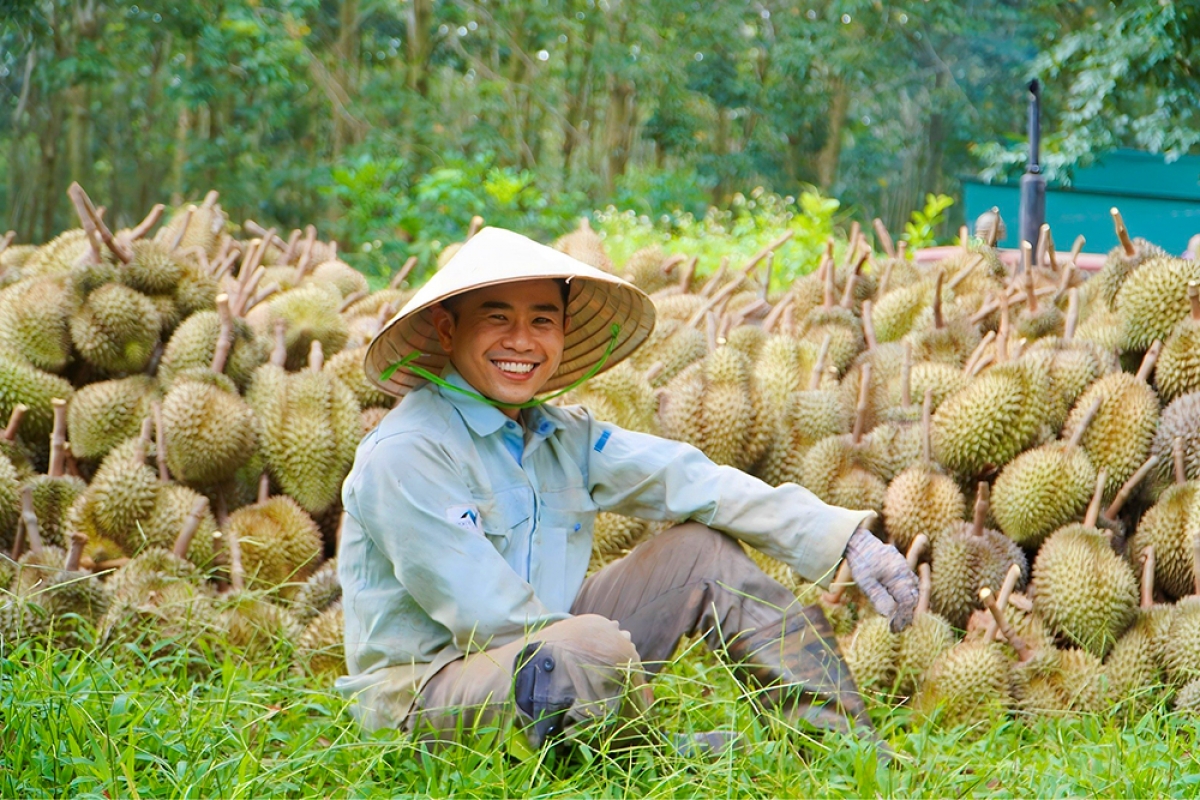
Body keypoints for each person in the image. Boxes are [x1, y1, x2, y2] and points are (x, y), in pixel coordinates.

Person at [337, 227, 918, 753]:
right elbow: (495, 618)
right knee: (583, 645)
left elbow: (691, 479)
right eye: (497, 319)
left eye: (541, 321)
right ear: (447, 328)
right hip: (429, 700)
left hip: (554, 659)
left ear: (562, 333)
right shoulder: (407, 453)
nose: (522, 341)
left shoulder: (561, 434)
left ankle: (842, 745)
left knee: (700, 552)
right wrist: (605, 664)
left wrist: (848, 540)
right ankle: (655, 760)